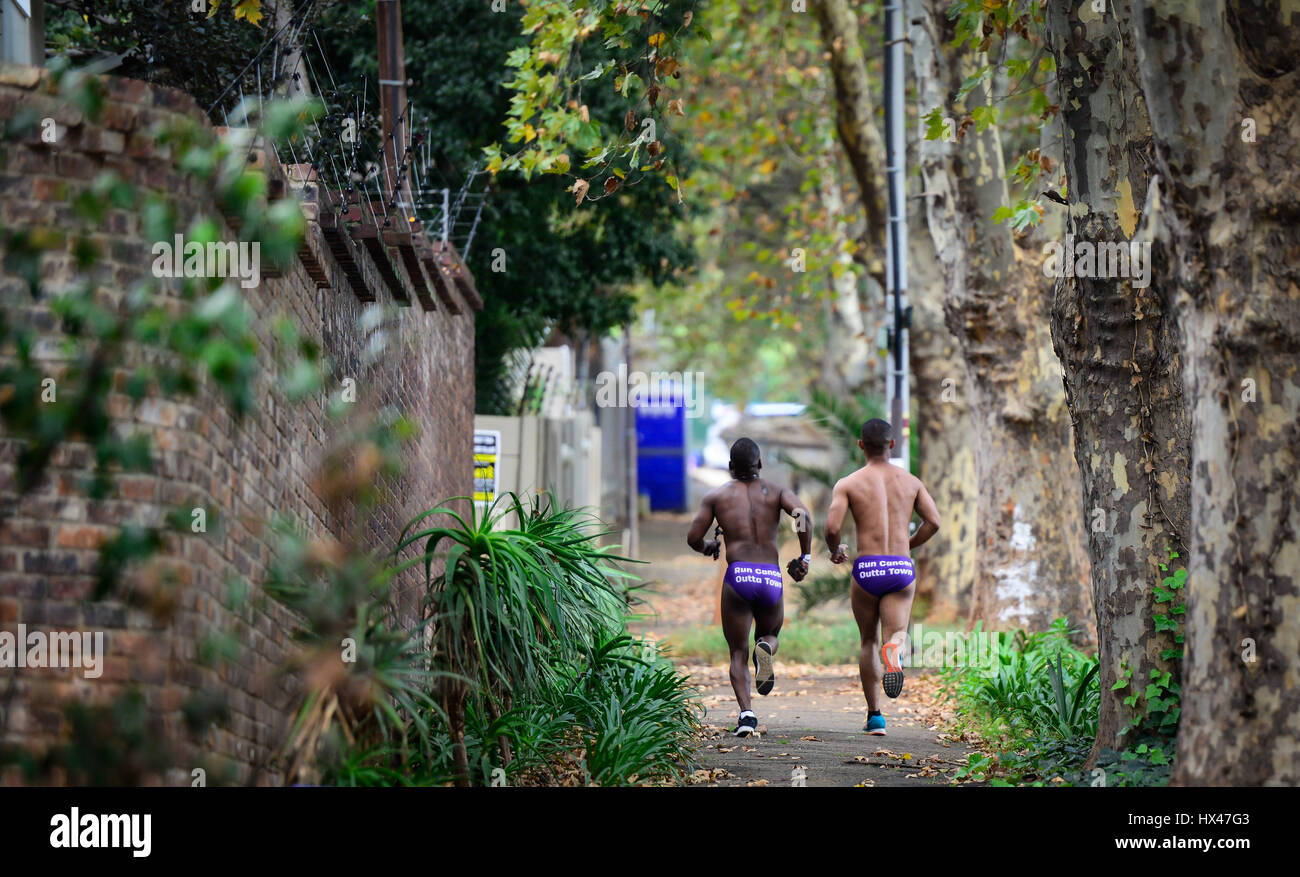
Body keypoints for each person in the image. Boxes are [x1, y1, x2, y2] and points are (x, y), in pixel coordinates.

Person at [687, 438, 812, 736]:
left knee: (737, 653)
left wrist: (708, 546)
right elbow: (802, 515)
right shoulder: (778, 492)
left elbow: (693, 537)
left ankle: (746, 716)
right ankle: (766, 648)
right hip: (769, 576)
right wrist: (804, 555)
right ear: (759, 465)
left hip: (739, 576)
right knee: (769, 634)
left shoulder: (717, 496)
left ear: (731, 467)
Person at [825, 419, 940, 736]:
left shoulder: (848, 483)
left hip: (867, 569)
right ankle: (895, 652)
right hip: (900, 568)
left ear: (861, 445)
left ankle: (875, 716)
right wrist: (908, 544)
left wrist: (836, 550)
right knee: (896, 633)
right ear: (892, 445)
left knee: (868, 640)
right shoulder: (911, 482)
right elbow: (933, 522)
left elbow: (833, 528)